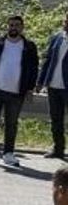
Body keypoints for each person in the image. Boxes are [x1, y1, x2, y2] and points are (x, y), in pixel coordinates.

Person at [0, 14, 39, 167]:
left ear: (22, 27)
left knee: (11, 124)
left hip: (17, 92)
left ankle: (8, 154)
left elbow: (33, 69)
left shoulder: (29, 47)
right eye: (11, 25)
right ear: (7, 26)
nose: (13, 28)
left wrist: (30, 89)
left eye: (17, 25)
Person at [41, 12, 68, 159]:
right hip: (53, 85)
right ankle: (58, 148)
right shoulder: (57, 38)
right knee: (56, 119)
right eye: (66, 21)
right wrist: (41, 81)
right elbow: (48, 60)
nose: (66, 24)